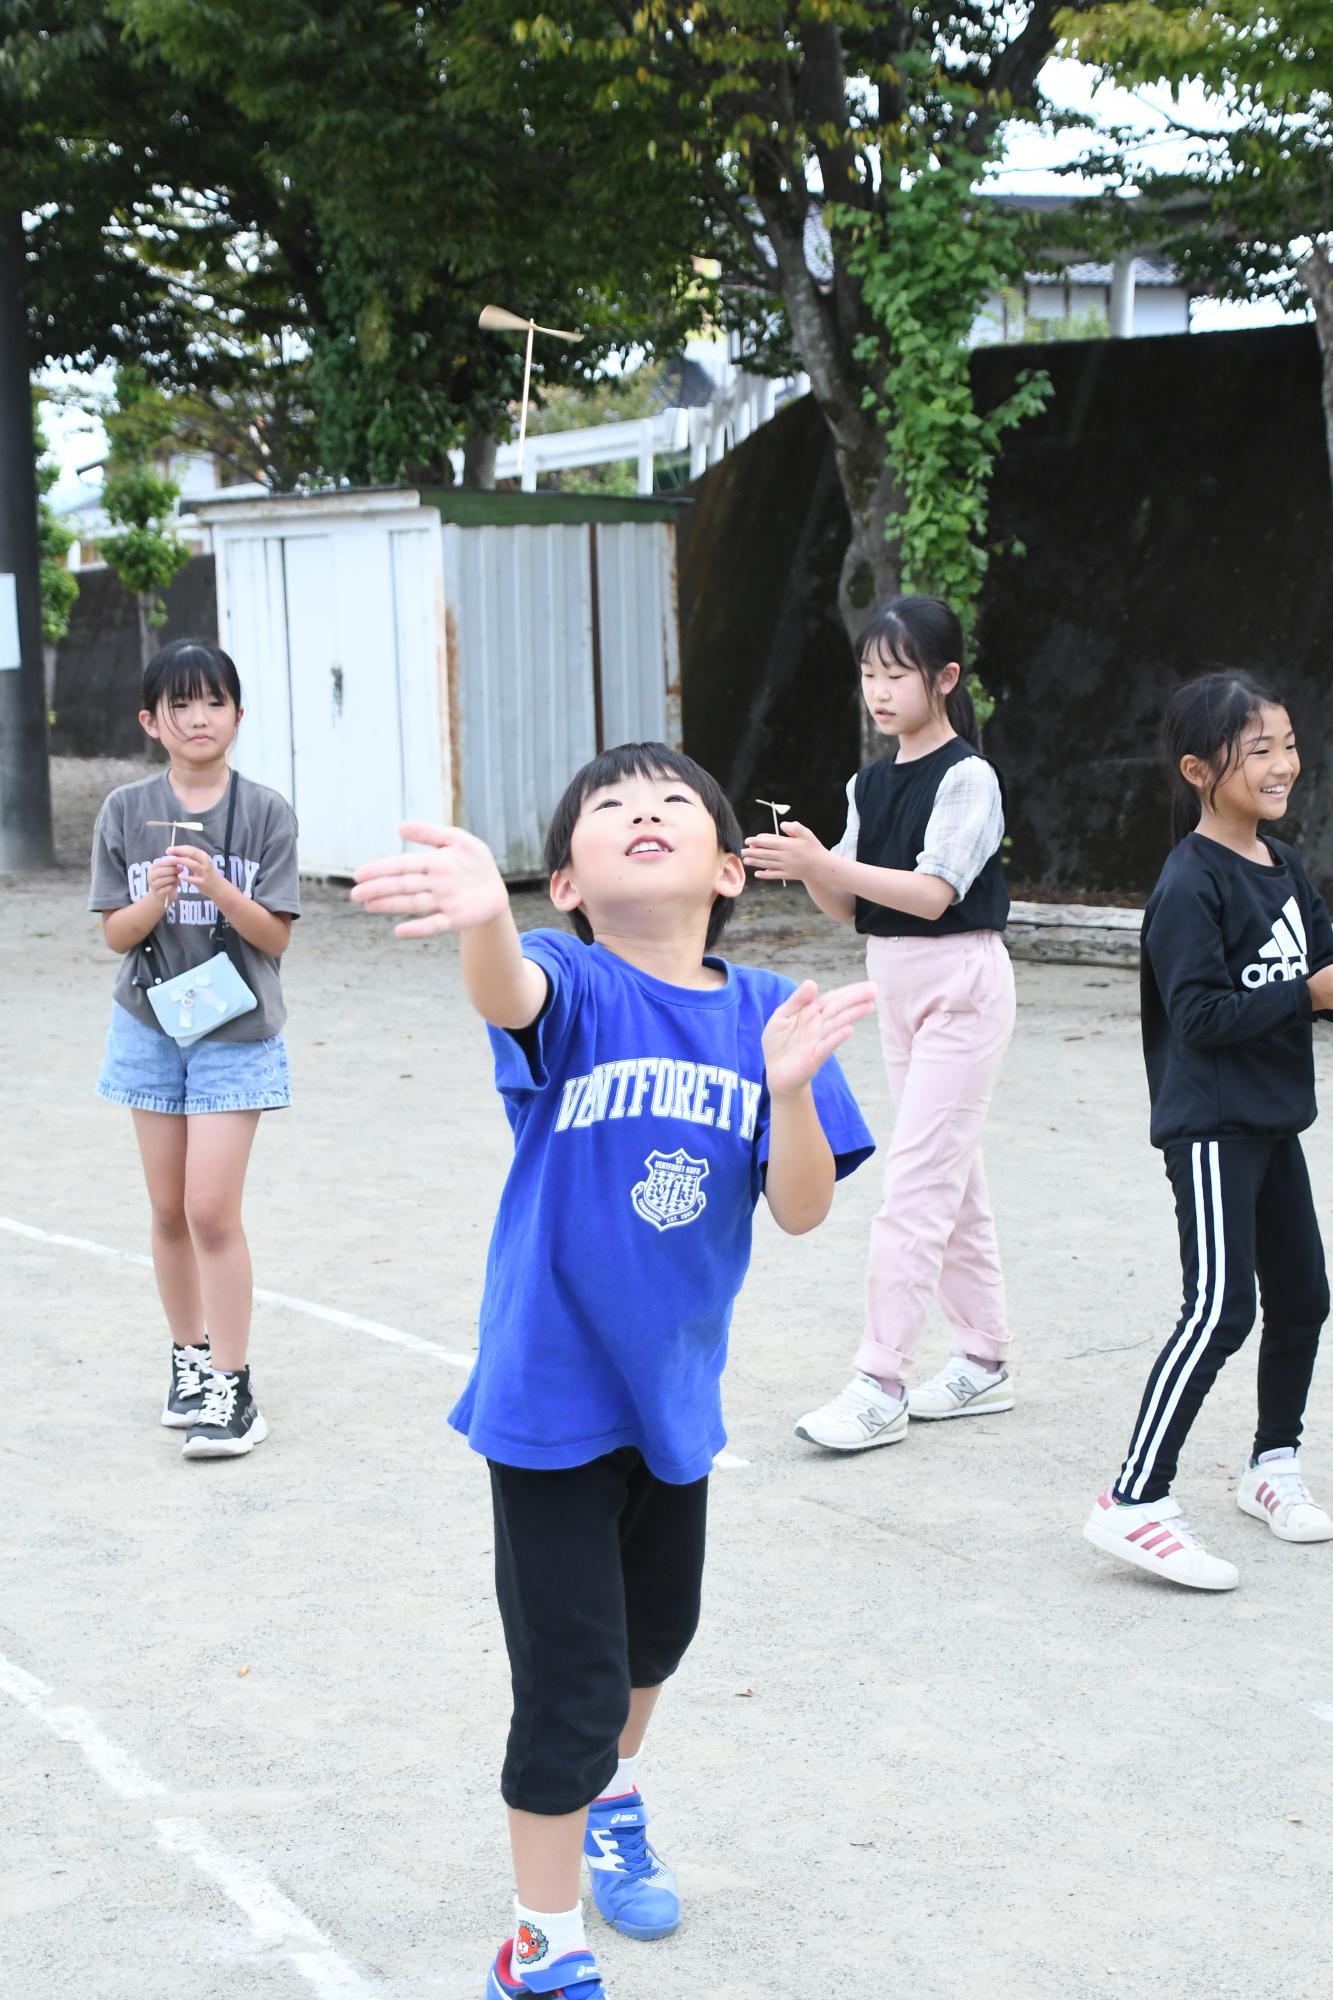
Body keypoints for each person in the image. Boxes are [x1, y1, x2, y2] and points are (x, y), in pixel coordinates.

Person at [351, 743, 875, 2000]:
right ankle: (542, 1946)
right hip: (549, 1401)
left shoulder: (766, 1013)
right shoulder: (571, 978)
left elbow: (799, 1207)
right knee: (572, 1688)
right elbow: (508, 994)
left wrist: (792, 1094)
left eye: (672, 803)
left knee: (658, 1642)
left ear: (733, 867)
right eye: (609, 808)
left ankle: (609, 1794)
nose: (643, 812)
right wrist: (488, 924)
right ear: (568, 882)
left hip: (672, 1400)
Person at [743, 594, 1015, 1451]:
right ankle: (983, 1357)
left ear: (944, 679)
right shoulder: (870, 780)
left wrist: (830, 862)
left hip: (960, 982)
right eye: (868, 674)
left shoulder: (967, 776)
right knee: (950, 1180)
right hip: (893, 983)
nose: (879, 691)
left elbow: (934, 893)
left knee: (913, 1189)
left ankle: (879, 1379)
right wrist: (810, 866)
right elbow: (845, 904)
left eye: (896, 674)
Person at [1085, 671, 1333, 1590]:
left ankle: (1271, 1465)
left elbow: (1323, 966)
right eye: (1257, 750)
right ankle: (1133, 1499)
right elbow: (1199, 1016)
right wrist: (1304, 995)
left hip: (1272, 1122)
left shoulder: (1285, 864)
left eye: (1287, 744)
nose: (1281, 766)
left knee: (1303, 1299)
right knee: (1218, 1309)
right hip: (1211, 1127)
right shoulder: (1189, 884)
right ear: (1198, 770)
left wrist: (1319, 991)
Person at [89, 638, 300, 1457]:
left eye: (213, 701)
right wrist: (158, 899)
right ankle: (189, 1358)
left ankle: (233, 1388)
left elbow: (274, 934)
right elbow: (115, 936)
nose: (198, 717)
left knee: (212, 1210)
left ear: (238, 715)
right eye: (179, 705)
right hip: (149, 1029)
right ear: (152, 721)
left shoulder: (266, 812)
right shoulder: (122, 812)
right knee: (170, 1210)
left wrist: (217, 888)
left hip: (236, 1031)